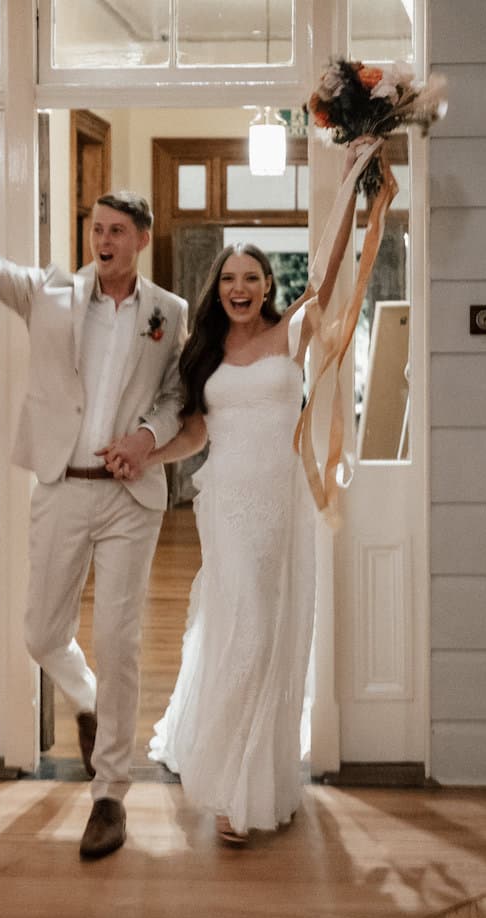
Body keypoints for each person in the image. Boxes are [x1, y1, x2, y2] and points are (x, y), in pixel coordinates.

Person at [0, 178, 188, 859]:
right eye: (96, 228)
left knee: (119, 638)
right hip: (59, 485)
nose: (104, 240)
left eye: (117, 230)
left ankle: (110, 791)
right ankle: (85, 699)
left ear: (141, 239)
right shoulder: (49, 291)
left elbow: (176, 394)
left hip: (130, 498)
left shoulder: (169, 311)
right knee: (41, 632)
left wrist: (146, 434)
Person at [127, 243, 317, 845]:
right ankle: (233, 787)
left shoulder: (295, 331)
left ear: (267, 286)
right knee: (248, 627)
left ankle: (257, 773)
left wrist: (354, 169)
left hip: (282, 507)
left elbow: (334, 273)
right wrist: (146, 456)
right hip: (228, 505)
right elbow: (195, 435)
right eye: (230, 278)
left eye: (252, 278)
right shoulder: (203, 351)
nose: (240, 288)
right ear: (219, 287)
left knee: (267, 632)